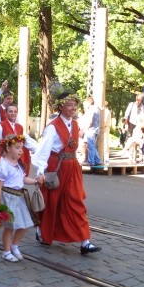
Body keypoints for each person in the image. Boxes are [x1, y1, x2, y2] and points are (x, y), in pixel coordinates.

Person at [31, 92, 102, 255]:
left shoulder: (76, 125)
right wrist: (41, 172)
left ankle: (85, 242)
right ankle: (41, 230)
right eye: (69, 105)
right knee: (51, 202)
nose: (73, 107)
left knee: (76, 202)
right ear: (61, 106)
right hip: (56, 167)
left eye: (75, 105)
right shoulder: (52, 127)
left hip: (72, 168)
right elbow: (44, 150)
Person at [0, 134, 41, 262]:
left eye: (21, 148)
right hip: (8, 198)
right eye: (17, 147)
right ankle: (6, 251)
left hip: (19, 197)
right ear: (8, 148)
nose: (21, 150)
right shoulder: (3, 165)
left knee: (24, 224)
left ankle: (14, 245)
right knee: (9, 227)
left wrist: (35, 181)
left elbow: (23, 178)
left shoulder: (18, 163)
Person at [0, 103, 37, 177]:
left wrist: (38, 149)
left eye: (15, 111)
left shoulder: (20, 127)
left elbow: (26, 140)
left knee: (14, 178)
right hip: (4, 156)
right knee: (1, 178)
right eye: (10, 111)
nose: (13, 113)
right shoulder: (0, 125)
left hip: (15, 157)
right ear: (6, 113)